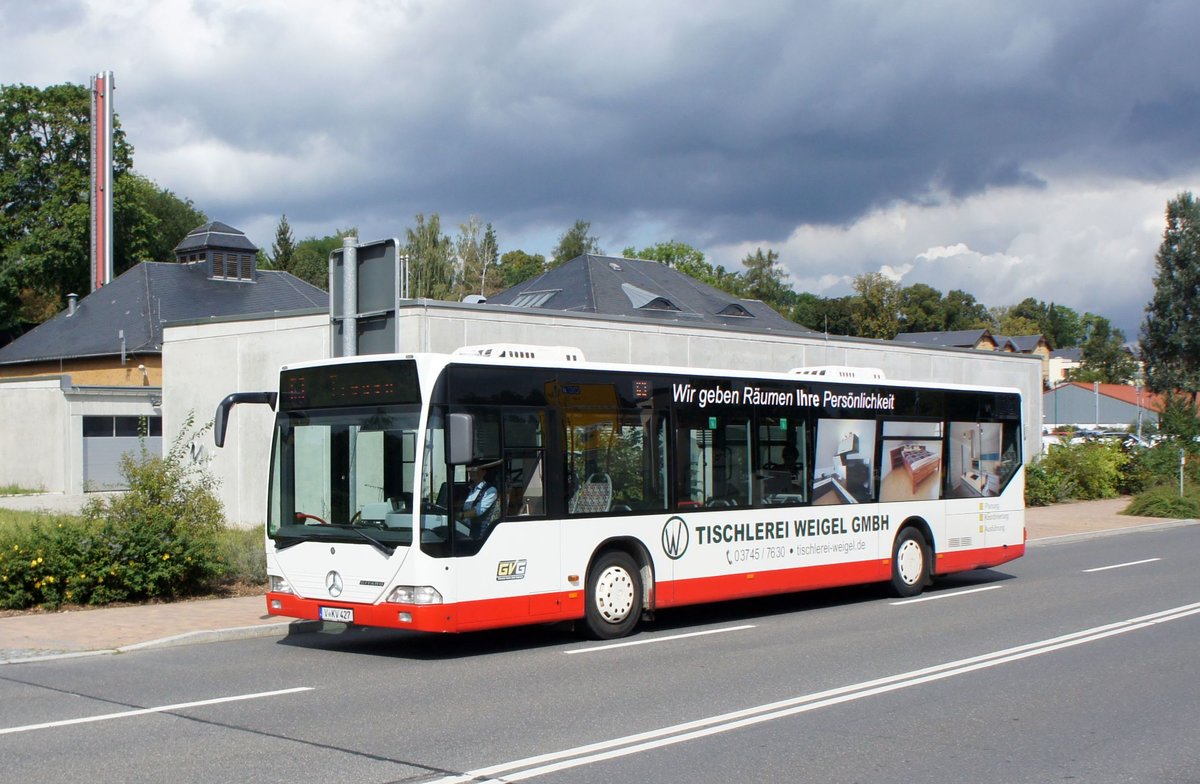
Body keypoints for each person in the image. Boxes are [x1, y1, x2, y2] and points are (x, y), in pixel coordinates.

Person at [461, 459, 500, 538]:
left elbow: (478, 511)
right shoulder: (469, 489)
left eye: (474, 469)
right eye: (470, 469)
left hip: (479, 534)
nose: (471, 472)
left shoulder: (491, 490)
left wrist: (461, 515)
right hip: (464, 529)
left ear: (483, 472)